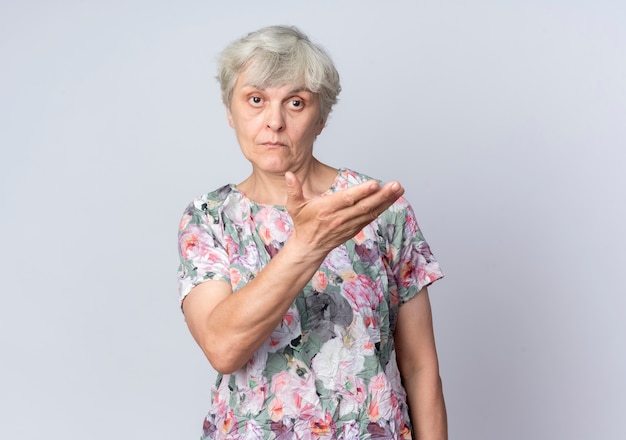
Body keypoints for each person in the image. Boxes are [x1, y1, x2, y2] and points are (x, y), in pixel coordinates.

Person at [177, 25, 447, 440]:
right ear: (230, 112)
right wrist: (305, 245)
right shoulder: (209, 218)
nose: (274, 122)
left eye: (296, 103)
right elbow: (223, 348)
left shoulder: (375, 209)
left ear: (321, 117)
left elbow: (419, 365)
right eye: (255, 100)